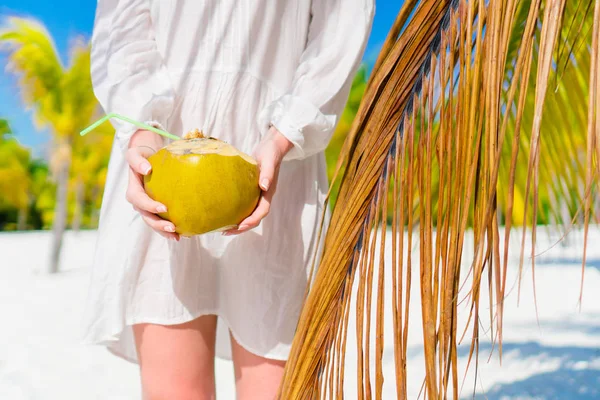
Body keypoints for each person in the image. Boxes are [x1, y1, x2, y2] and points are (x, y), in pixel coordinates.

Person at [82, 0, 374, 398]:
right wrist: (142, 131)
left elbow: (339, 27)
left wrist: (285, 134)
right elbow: (123, 30)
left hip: (278, 162)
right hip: (160, 164)